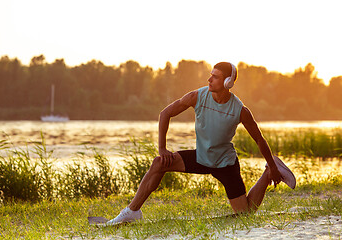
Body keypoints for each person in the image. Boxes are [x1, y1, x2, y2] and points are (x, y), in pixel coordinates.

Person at [107, 62, 296, 225]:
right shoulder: (197, 96)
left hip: (225, 164)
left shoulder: (240, 110)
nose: (209, 80)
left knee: (245, 214)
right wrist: (162, 148)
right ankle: (132, 212)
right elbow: (165, 114)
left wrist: (272, 166)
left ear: (227, 82)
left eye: (215, 77)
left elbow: (259, 140)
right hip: (201, 157)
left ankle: (267, 173)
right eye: (210, 75)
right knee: (159, 163)